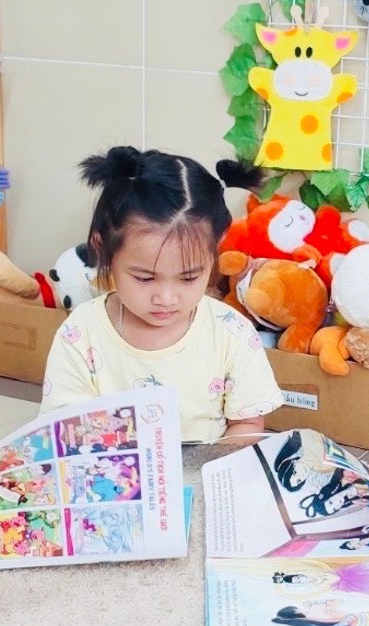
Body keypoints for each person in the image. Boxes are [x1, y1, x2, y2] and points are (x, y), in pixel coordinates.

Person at [40, 146, 282, 442]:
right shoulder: (81, 333)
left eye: (189, 278)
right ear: (102, 249)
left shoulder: (231, 332)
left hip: (207, 467)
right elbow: (65, 431)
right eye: (144, 278)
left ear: (217, 246)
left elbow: (247, 424)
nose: (166, 298)